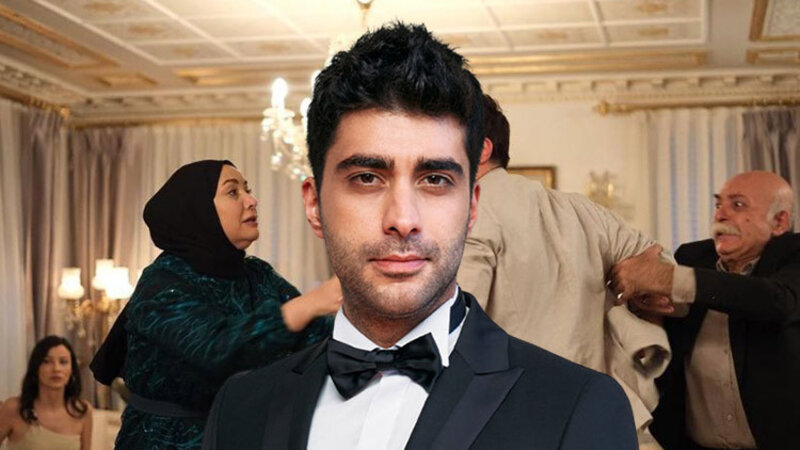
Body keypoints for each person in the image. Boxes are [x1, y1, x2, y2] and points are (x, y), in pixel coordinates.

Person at [202, 23, 637, 450]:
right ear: (315, 204)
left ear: (472, 207)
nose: (403, 219)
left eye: (435, 179)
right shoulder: (240, 407)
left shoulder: (578, 406)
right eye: (367, 177)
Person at [456, 94, 670, 445]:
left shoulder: (467, 216)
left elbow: (453, 331)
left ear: (481, 149)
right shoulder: (582, 210)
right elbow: (666, 275)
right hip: (604, 415)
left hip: (524, 421)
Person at [95, 160, 341, 449]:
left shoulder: (256, 275)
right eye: (233, 192)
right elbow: (216, 349)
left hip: (240, 433)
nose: (252, 200)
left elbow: (315, 335)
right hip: (164, 441)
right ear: (199, 211)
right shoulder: (162, 282)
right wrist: (309, 304)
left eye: (247, 190)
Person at [608, 171, 799, 449]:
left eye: (738, 205)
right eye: (718, 204)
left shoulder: (794, 256)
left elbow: (776, 301)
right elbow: (675, 320)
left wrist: (667, 278)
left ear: (779, 221)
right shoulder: (692, 257)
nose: (721, 214)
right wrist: (650, 304)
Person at [0, 336, 93, 450]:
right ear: (36, 368)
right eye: (46, 361)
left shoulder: (82, 411)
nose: (56, 369)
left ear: (72, 369)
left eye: (63, 362)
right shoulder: (14, 408)